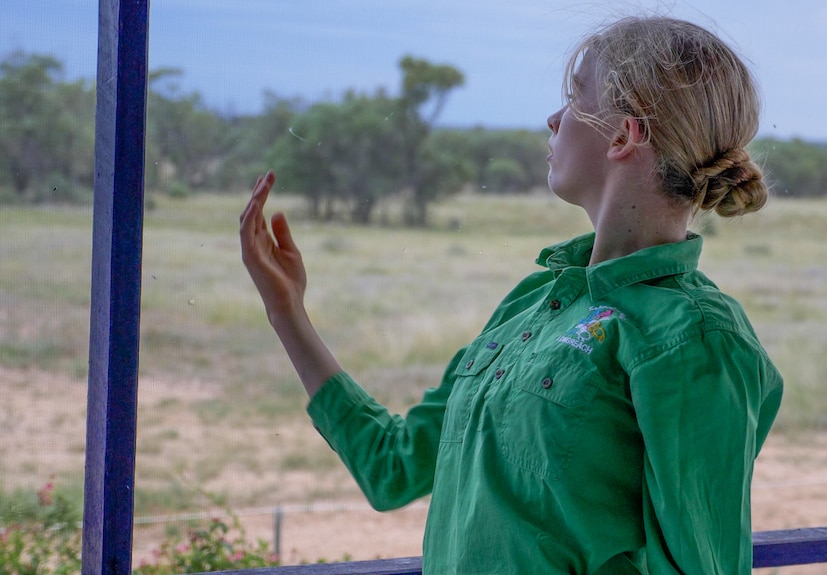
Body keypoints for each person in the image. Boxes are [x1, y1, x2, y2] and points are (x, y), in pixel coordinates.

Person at [240, 15, 783, 575]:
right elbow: (392, 469)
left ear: (624, 134)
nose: (553, 119)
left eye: (573, 98)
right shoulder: (534, 300)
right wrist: (286, 312)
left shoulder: (694, 335)